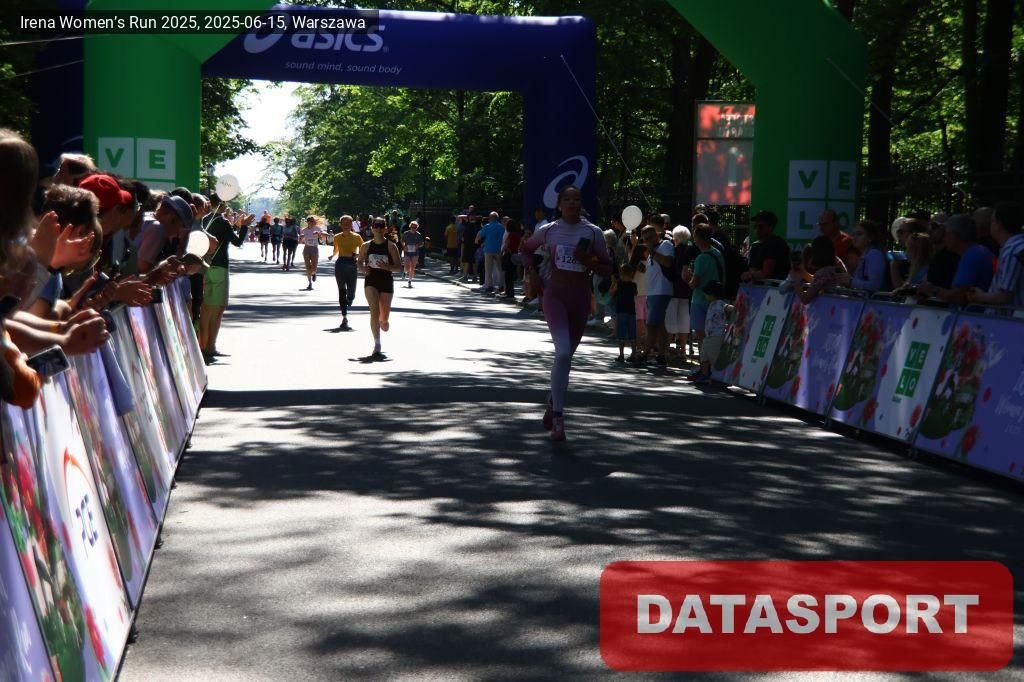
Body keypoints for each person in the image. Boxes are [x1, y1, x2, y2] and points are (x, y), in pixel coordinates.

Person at [520, 185, 611, 441]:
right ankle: (559, 420)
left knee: (566, 359)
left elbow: (607, 268)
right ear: (559, 205)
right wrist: (533, 272)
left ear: (581, 204)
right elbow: (525, 249)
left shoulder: (593, 233)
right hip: (555, 297)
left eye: (577, 199)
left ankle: (553, 400)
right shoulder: (549, 230)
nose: (572, 202)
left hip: (580, 299)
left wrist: (588, 261)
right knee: (561, 353)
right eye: (567, 199)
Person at [200, 209, 254, 363]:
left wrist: (235, 225)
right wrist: (244, 226)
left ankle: (202, 344)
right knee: (217, 309)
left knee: (206, 308)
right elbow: (237, 242)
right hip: (219, 267)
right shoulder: (222, 222)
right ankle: (210, 346)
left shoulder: (203, 220)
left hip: (203, 267)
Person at [918, 214, 994, 304]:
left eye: (946, 233)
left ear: (955, 235)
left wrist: (932, 290)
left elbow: (960, 296)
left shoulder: (972, 255)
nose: (944, 238)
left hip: (971, 312)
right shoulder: (978, 251)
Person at [357, 217, 401, 358]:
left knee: (384, 319)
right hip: (371, 280)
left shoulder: (391, 246)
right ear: (372, 229)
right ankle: (377, 344)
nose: (379, 228)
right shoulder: (366, 246)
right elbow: (359, 262)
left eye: (381, 226)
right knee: (374, 311)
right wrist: (363, 268)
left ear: (385, 229)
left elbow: (399, 268)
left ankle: (384, 321)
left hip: (386, 281)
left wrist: (388, 267)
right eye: (376, 226)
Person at [968, 201, 1024, 306]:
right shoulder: (1015, 247)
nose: (990, 225)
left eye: (992, 221)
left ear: (999, 224)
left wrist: (979, 296)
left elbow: (1004, 297)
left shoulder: (1012, 251)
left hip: (1007, 316)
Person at [686, 225, 725, 358]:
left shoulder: (701, 258)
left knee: (702, 336)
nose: (694, 241)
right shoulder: (718, 253)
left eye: (695, 237)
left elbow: (694, 283)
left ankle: (704, 364)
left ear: (699, 238)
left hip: (700, 300)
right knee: (714, 334)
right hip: (716, 299)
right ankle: (713, 362)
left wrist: (689, 278)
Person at [640, 224, 674, 366]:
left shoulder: (665, 245)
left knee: (651, 325)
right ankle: (661, 355)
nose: (648, 241)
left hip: (661, 291)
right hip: (652, 293)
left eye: (650, 237)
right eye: (645, 239)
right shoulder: (651, 251)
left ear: (656, 235)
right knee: (659, 325)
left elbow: (668, 262)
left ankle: (645, 354)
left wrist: (653, 252)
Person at [687, 281, 732, 386]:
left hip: (716, 335)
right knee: (704, 355)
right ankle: (705, 374)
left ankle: (720, 376)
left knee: (713, 356)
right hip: (709, 336)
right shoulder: (711, 304)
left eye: (707, 294)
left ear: (713, 294)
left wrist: (734, 308)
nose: (705, 295)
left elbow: (726, 307)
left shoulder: (719, 303)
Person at [328, 215, 363, 330]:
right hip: (340, 264)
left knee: (351, 294)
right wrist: (332, 256)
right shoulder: (337, 237)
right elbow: (336, 249)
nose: (346, 226)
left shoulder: (357, 237)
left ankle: (349, 300)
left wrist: (354, 255)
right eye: (344, 224)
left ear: (352, 224)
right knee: (342, 290)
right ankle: (344, 317)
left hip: (352, 264)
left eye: (348, 223)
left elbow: (364, 251)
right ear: (340, 225)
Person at [837, 220, 888, 293]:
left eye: (859, 234)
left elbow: (875, 286)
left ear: (870, 237)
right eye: (853, 234)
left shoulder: (874, 254)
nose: (854, 238)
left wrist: (850, 281)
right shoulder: (865, 254)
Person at [665, 225, 692, 357]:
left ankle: (667, 347)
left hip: (674, 288)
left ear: (675, 238)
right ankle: (683, 349)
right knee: (684, 318)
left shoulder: (674, 251)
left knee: (671, 318)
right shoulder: (690, 250)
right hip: (687, 289)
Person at [742, 210, 790, 281]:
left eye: (760, 226)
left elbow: (766, 273)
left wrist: (751, 275)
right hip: (756, 286)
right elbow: (752, 270)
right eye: (755, 226)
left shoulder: (777, 244)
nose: (757, 229)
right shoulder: (755, 246)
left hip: (775, 286)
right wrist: (751, 275)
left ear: (771, 227)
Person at [610, 263, 638, 364]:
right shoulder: (633, 285)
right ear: (631, 274)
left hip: (621, 311)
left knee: (621, 334)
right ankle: (633, 354)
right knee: (632, 334)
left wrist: (613, 283)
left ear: (621, 273)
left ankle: (621, 354)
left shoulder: (619, 283)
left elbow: (611, 293)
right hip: (631, 312)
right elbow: (636, 293)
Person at [476, 211, 505, 293]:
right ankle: (501, 286)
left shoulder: (487, 226)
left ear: (490, 218)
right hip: (498, 250)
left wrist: (478, 240)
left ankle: (490, 286)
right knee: (500, 269)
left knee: (488, 269)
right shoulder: (501, 227)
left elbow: (480, 235)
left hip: (488, 249)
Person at [501, 219, 523, 299]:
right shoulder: (518, 235)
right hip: (515, 254)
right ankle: (511, 292)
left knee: (508, 275)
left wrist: (502, 252)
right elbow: (520, 244)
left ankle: (509, 293)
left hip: (509, 255)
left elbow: (506, 245)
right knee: (511, 274)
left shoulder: (510, 235)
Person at [300, 215, 323, 290]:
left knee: (314, 267)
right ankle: (310, 283)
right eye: (311, 221)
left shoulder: (318, 228)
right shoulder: (304, 230)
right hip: (307, 248)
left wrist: (319, 234)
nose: (313, 222)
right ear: (308, 222)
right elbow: (300, 241)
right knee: (308, 267)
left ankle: (314, 273)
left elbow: (322, 239)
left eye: (314, 221)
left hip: (314, 248)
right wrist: (301, 238)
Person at [400, 221, 424, 288]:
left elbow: (422, 243)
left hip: (415, 253)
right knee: (407, 267)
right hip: (407, 252)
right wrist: (404, 246)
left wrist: (418, 245)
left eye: (415, 227)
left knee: (412, 268)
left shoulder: (418, 234)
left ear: (417, 228)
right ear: (410, 227)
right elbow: (402, 241)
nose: (413, 228)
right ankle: (405, 271)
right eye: (412, 227)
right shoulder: (406, 233)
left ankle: (409, 281)